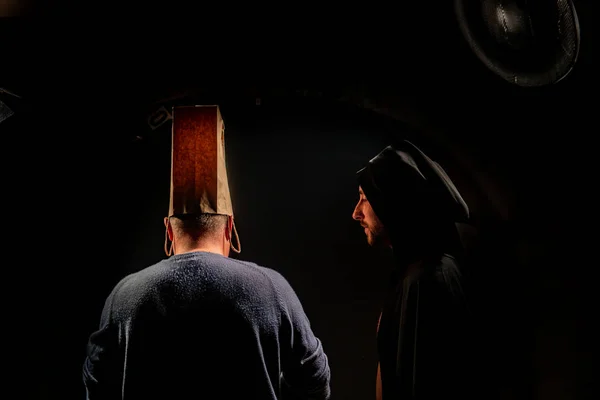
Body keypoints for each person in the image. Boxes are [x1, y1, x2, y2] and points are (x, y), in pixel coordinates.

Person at [83, 105, 330, 399]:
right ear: (229, 229)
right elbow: (315, 379)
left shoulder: (124, 296)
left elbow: (97, 385)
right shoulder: (272, 288)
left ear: (168, 230)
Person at [352, 140, 478, 399]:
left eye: (365, 199)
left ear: (392, 202)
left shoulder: (429, 280)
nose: (356, 213)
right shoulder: (415, 273)